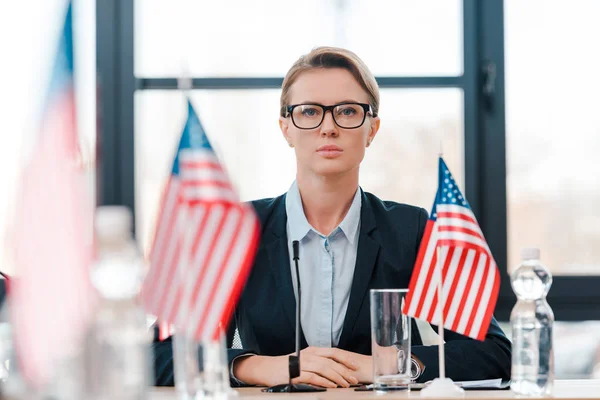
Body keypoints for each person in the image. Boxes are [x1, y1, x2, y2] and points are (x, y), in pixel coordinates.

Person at [152, 46, 511, 388]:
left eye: (348, 110)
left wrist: (390, 364)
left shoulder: (412, 229)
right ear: (286, 128)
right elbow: (157, 354)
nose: (328, 127)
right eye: (309, 111)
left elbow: (494, 352)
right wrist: (261, 366)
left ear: (372, 128)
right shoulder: (236, 229)